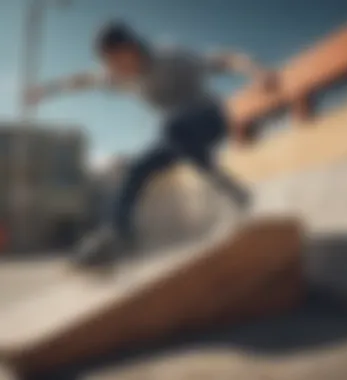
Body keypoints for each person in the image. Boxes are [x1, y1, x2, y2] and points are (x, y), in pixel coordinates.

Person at [25, 21, 278, 266]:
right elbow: (83, 81)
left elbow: (224, 58)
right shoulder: (119, 77)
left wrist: (258, 70)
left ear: (131, 48)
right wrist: (46, 91)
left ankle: (232, 193)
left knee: (172, 126)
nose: (114, 69)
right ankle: (120, 237)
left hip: (209, 120)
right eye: (108, 63)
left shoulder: (171, 57)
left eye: (116, 60)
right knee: (136, 169)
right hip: (177, 138)